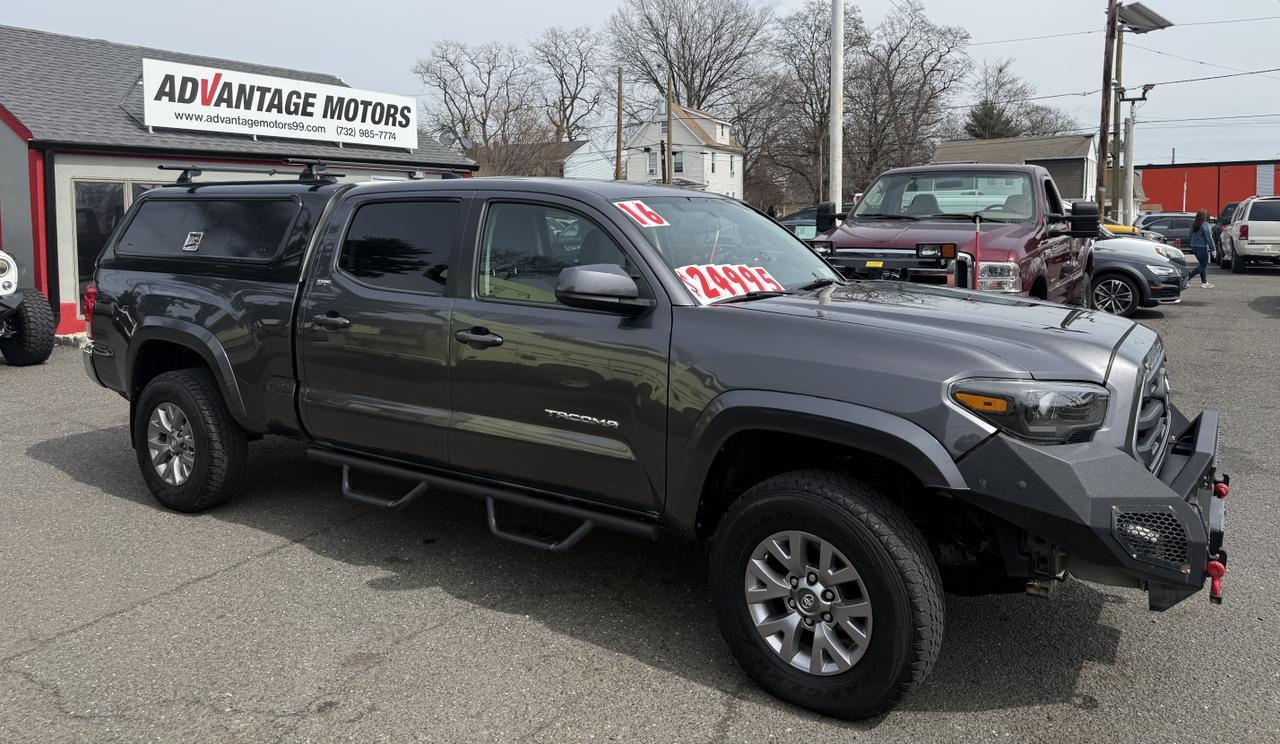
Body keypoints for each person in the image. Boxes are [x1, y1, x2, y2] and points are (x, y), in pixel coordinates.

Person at [1188, 209, 1214, 288]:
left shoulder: (1194, 224)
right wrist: (1213, 248)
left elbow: (1190, 236)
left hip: (1194, 247)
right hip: (1202, 247)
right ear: (1205, 217)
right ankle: (1187, 278)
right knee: (1203, 266)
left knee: (1202, 265)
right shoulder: (1205, 225)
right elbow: (1209, 238)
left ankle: (1204, 282)